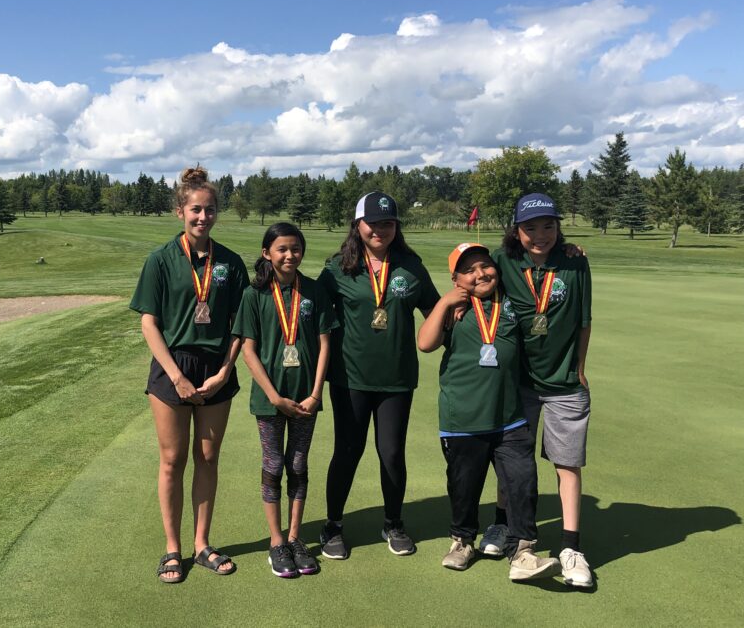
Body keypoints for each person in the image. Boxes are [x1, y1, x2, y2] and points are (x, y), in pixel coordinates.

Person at [129, 166, 249, 584]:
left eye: (210, 209)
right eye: (195, 209)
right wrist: (177, 376)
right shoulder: (161, 260)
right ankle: (172, 548)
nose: (203, 217)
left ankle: (201, 545)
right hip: (172, 367)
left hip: (216, 367)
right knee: (172, 460)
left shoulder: (230, 262)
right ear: (179, 211)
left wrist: (225, 370)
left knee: (208, 457)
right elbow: (149, 322)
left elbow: (240, 324)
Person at [418, 243, 561, 581]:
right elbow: (425, 343)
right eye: (469, 270)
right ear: (455, 279)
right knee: (464, 486)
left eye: (485, 266)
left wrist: (568, 251)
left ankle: (522, 551)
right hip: (462, 419)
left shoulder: (511, 302)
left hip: (509, 417)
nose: (480, 274)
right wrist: (445, 302)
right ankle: (462, 541)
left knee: (521, 482)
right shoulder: (453, 308)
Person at [478, 193, 594, 587]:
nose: (540, 234)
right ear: (517, 230)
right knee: (512, 460)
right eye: (530, 228)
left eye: (549, 226)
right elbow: (476, 284)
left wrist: (579, 369)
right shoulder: (503, 260)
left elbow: (584, 321)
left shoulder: (575, 262)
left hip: (564, 383)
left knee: (567, 463)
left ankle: (571, 547)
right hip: (518, 381)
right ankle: (501, 525)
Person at [317, 192, 440, 559]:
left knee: (391, 452)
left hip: (396, 379)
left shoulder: (411, 267)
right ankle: (333, 525)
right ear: (358, 225)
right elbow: (312, 307)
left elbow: (435, 311)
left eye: (388, 223)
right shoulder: (338, 267)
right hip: (349, 378)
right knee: (347, 451)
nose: (380, 230)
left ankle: (393, 522)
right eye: (372, 223)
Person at [233, 222, 338, 578]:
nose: (290, 255)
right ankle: (276, 541)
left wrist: (316, 393)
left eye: (295, 248)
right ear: (267, 253)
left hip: (306, 398)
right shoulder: (254, 295)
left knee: (298, 463)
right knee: (274, 464)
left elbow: (325, 343)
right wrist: (274, 396)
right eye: (282, 249)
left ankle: (295, 537)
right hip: (270, 399)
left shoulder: (314, 290)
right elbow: (248, 350)